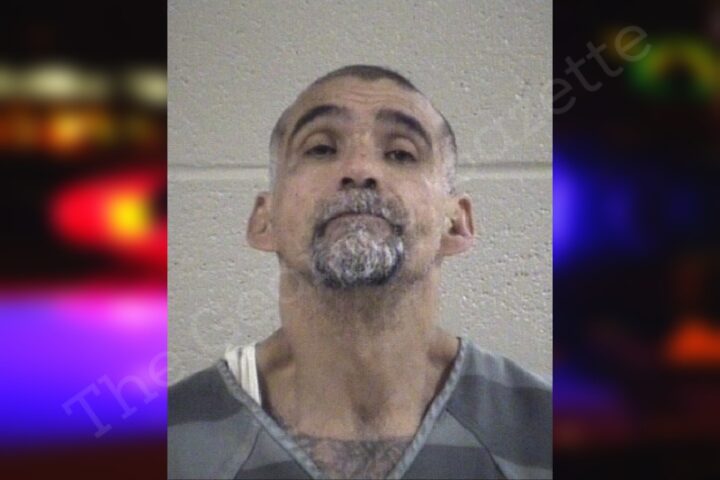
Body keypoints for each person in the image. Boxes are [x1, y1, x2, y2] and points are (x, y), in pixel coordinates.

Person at [168, 65, 552, 479]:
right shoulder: (170, 442)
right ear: (265, 221)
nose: (359, 168)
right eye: (320, 149)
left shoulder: (545, 429)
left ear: (456, 224)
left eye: (401, 153)